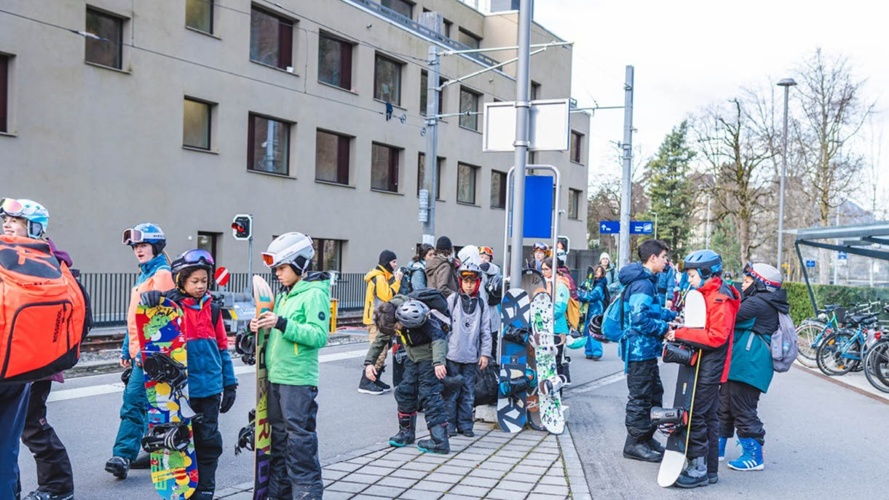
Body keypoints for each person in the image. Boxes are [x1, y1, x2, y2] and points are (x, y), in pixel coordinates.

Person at [141, 249, 238, 500]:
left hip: (209, 389)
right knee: (179, 441)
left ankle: (205, 488)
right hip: (179, 392)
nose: (200, 286)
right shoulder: (169, 309)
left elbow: (222, 349)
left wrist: (230, 384)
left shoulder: (213, 309)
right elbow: (154, 343)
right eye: (194, 281)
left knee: (208, 441)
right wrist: (153, 299)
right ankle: (181, 487)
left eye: (204, 281)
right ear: (180, 280)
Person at [2, 198, 76, 500]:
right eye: (4, 218)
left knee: (32, 427)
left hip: (30, 363)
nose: (7, 223)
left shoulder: (45, 260)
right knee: (16, 433)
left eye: (15, 220)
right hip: (22, 361)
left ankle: (57, 486)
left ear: (34, 227)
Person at [249, 232, 330, 499]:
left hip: (297, 380)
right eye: (276, 270)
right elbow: (278, 334)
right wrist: (259, 328)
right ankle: (280, 493)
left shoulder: (314, 294)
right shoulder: (285, 294)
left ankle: (307, 492)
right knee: (279, 440)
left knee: (300, 441)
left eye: (282, 268)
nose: (278, 275)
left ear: (299, 264)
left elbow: (318, 336)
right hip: (276, 377)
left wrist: (282, 323)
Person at [106, 223, 176, 480]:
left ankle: (123, 455)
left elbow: (166, 320)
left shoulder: (162, 275)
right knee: (146, 405)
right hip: (140, 354)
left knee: (137, 403)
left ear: (156, 247)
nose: (138, 250)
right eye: (135, 246)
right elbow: (135, 319)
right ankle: (134, 453)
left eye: (143, 245)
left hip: (153, 356)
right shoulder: (144, 275)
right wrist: (127, 347)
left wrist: (145, 351)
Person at [667, 249, 740, 488]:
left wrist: (680, 333)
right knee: (708, 416)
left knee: (696, 414)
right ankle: (709, 471)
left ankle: (698, 470)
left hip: (712, 364)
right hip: (705, 362)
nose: (688, 279)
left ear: (706, 271)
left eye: (691, 274)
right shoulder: (706, 294)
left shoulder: (720, 297)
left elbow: (717, 336)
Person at [719, 262, 787, 472]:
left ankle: (754, 455)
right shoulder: (761, 300)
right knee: (725, 405)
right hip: (743, 362)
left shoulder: (758, 303)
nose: (743, 284)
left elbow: (727, 317)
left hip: (751, 364)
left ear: (760, 284)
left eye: (748, 281)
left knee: (743, 408)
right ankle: (716, 448)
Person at [366, 300, 452, 454]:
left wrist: (439, 362)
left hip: (430, 359)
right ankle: (406, 433)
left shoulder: (415, 313)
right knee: (405, 391)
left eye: (396, 328)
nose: (396, 332)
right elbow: (381, 340)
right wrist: (369, 363)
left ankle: (439, 441)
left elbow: (438, 336)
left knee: (429, 395)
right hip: (412, 358)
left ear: (399, 319)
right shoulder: (389, 317)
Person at [617, 239, 676, 463]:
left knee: (654, 394)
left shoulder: (647, 281)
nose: (666, 261)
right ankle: (634, 443)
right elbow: (639, 319)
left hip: (646, 350)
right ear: (652, 258)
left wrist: (671, 316)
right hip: (639, 351)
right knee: (641, 398)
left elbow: (650, 310)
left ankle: (646, 437)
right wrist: (664, 329)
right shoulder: (643, 284)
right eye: (663, 257)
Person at [445, 264, 492, 437]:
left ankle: (465, 425)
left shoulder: (481, 303)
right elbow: (444, 327)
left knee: (468, 393)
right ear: (460, 282)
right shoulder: (452, 300)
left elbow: (485, 330)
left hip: (471, 357)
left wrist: (485, 353)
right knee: (451, 393)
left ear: (478, 282)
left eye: (473, 281)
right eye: (465, 281)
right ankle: (449, 425)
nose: (469, 285)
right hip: (452, 355)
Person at [359, 250, 404, 395]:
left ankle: (375, 378)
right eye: (393, 262)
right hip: (376, 319)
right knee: (379, 350)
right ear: (386, 262)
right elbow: (387, 296)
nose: (395, 265)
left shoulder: (381, 276)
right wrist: (398, 281)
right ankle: (366, 382)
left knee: (383, 349)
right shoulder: (379, 277)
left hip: (376, 318)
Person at [541, 258, 571, 384]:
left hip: (557, 328)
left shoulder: (561, 284)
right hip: (545, 327)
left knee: (556, 362)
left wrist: (544, 314)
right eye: (542, 269)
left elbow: (560, 308)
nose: (543, 272)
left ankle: (558, 393)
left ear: (554, 270)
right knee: (546, 362)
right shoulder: (545, 283)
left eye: (546, 269)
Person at [578, 265, 610, 360]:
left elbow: (593, 296)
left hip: (596, 310)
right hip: (586, 310)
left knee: (594, 332)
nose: (596, 273)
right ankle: (588, 351)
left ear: (602, 273)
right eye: (596, 271)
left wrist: (582, 295)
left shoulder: (600, 284)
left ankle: (597, 352)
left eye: (599, 271)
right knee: (585, 332)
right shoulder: (588, 282)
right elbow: (579, 291)